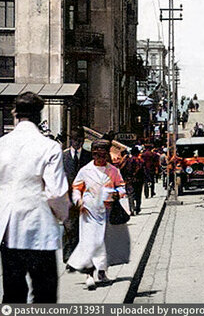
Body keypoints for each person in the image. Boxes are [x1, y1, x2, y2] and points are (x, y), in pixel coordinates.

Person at [0, 92, 69, 303]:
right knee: (44, 290)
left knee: (13, 291)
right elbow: (55, 192)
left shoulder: (2, 144)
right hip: (39, 226)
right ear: (39, 115)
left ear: (15, 113)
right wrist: (64, 217)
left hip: (8, 225)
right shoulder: (48, 147)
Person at [67, 140, 127, 290]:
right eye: (97, 155)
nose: (100, 159)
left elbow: (121, 186)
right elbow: (76, 188)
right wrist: (78, 200)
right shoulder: (85, 171)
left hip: (106, 212)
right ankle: (89, 275)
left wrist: (117, 195)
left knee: (104, 243)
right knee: (90, 243)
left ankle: (102, 273)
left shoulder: (113, 171)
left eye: (102, 155)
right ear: (93, 156)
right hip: (88, 211)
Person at [62, 127, 92, 264]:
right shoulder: (63, 156)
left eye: (80, 140)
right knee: (69, 227)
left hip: (84, 198)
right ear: (70, 140)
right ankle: (68, 257)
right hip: (67, 198)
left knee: (83, 229)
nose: (77, 143)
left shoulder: (89, 156)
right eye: (75, 140)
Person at [121, 148, 145, 216]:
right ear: (137, 153)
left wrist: (124, 178)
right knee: (138, 194)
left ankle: (132, 209)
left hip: (129, 180)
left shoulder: (127, 161)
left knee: (130, 195)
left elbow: (122, 169)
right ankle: (137, 208)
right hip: (139, 180)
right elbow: (143, 171)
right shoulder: (140, 161)